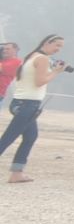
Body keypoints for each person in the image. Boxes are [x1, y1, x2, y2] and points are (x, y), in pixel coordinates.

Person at [1, 35, 68, 183]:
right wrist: (56, 72)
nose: (58, 49)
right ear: (46, 43)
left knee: (30, 136)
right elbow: (40, 82)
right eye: (57, 45)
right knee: (7, 138)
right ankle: (16, 172)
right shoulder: (42, 59)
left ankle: (17, 172)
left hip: (21, 102)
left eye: (61, 47)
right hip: (28, 104)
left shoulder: (31, 56)